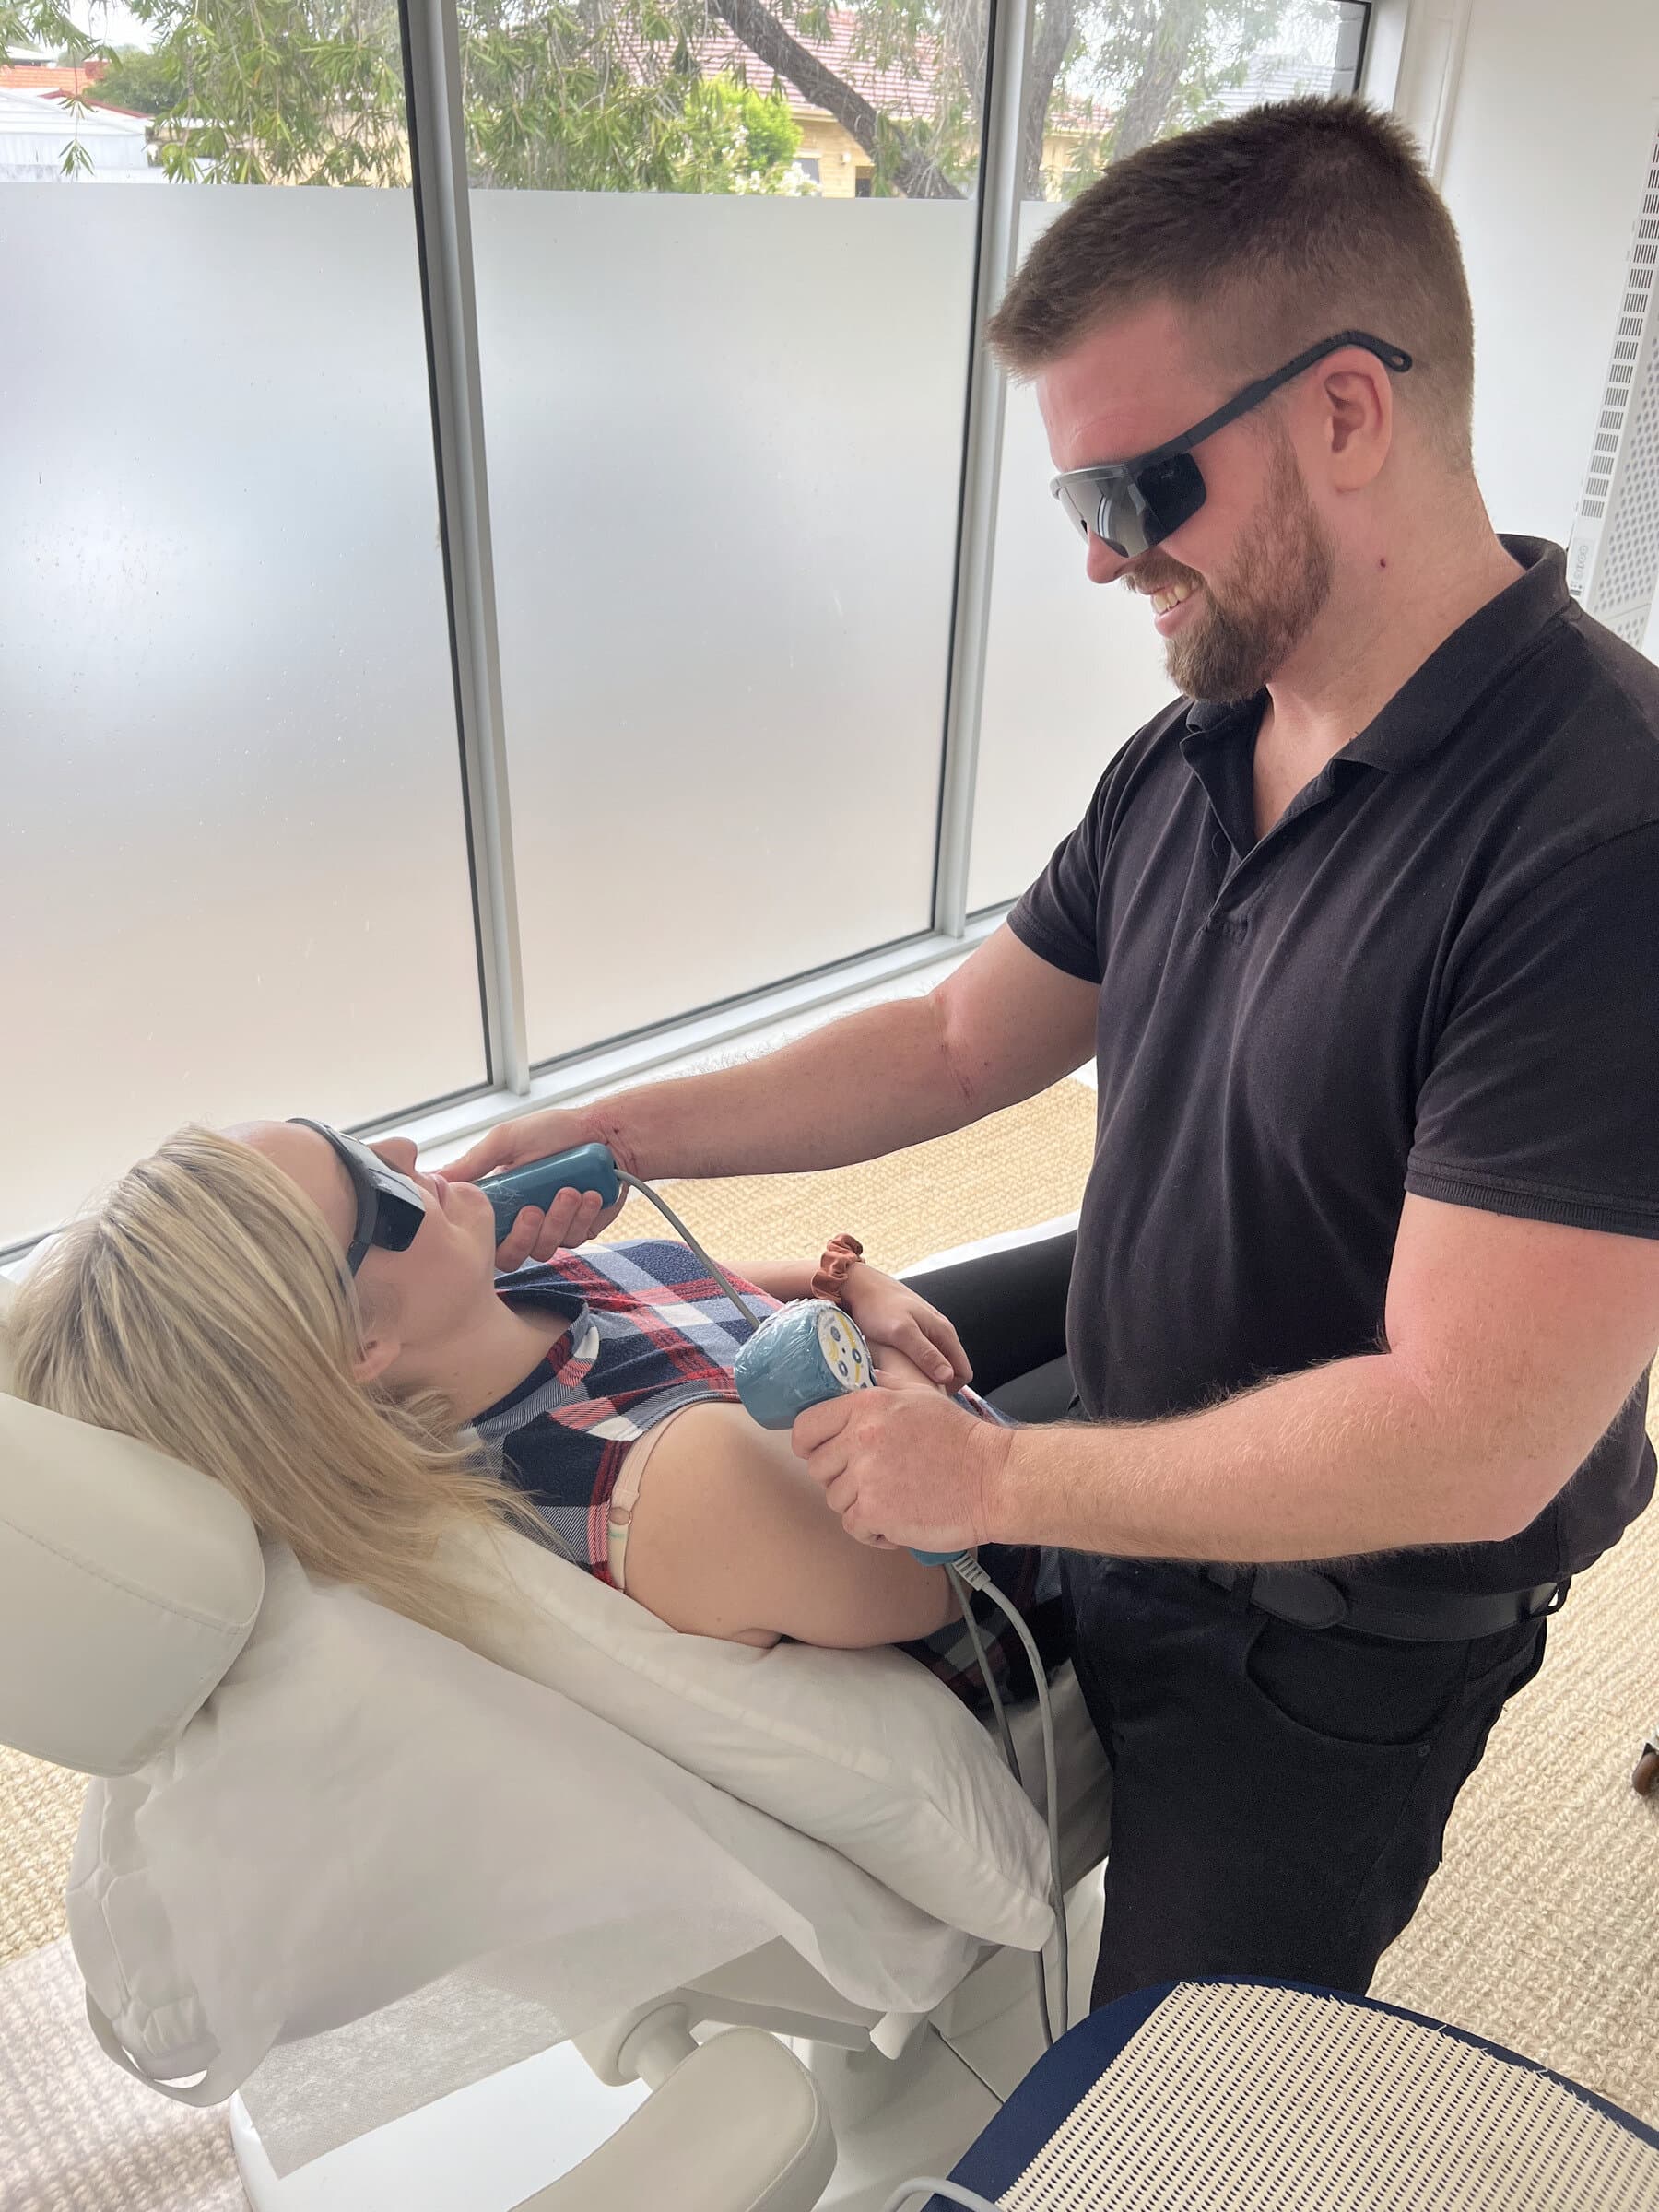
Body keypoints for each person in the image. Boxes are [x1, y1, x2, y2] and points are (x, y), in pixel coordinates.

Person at [449, 95, 1659, 2007]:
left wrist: (1001, 1487)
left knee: (1162, 2105)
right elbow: (951, 1042)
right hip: (1145, 1375)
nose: (1103, 564)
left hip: (1341, 1621)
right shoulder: (1204, 743)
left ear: (1347, 414)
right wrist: (616, 1116)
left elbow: (1470, 1438)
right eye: (1077, 507)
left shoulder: (1603, 836)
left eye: (1133, 495)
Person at [8, 1120, 1056, 1712]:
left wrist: (850, 1281)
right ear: (361, 1345)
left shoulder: (505, 1305)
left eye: (363, 1141)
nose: (412, 1152)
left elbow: (719, 1286)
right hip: (1044, 1563)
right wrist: (873, 1343)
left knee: (1108, 1261)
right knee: (1175, 1313)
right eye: (381, 1190)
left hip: (906, 1380)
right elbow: (924, 1580)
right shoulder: (669, 1487)